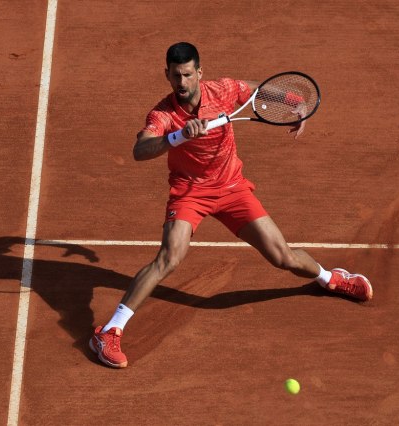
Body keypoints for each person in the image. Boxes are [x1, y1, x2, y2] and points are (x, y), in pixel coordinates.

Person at [89, 42, 373, 368]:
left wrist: (296, 103)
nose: (182, 82)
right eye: (175, 76)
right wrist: (178, 137)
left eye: (187, 75)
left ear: (199, 73)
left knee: (283, 257)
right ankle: (108, 332)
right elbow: (140, 151)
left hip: (232, 188)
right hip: (191, 193)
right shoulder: (163, 114)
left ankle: (329, 278)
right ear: (166, 74)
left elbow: (257, 90)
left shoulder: (222, 90)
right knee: (169, 257)